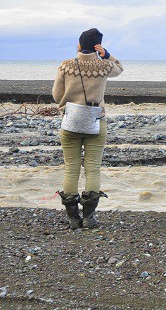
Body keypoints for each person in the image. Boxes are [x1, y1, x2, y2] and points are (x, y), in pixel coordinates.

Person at [52, 28, 123, 229]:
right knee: (93, 169)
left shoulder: (66, 66)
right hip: (96, 122)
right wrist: (106, 54)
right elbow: (120, 68)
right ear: (96, 46)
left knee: (71, 169)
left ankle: (73, 219)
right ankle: (89, 218)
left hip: (70, 122)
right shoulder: (104, 66)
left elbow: (57, 97)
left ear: (80, 44)